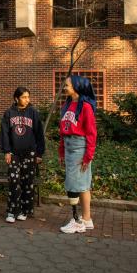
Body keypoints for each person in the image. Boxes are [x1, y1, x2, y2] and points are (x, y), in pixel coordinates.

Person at [0, 86, 45, 223]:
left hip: (29, 153)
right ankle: (12, 211)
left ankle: (25, 211)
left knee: (27, 182)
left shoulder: (33, 113)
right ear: (16, 98)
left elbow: (39, 134)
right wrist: (7, 151)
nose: (27, 99)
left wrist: (39, 153)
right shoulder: (9, 113)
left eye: (28, 97)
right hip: (14, 153)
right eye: (24, 97)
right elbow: (4, 134)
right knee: (14, 181)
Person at [59, 75, 98, 234]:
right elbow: (63, 130)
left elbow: (91, 133)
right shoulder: (68, 104)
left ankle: (77, 221)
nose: (64, 88)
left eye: (67, 85)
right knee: (82, 185)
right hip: (69, 146)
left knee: (75, 184)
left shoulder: (86, 107)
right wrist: (61, 150)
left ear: (77, 87)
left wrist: (88, 156)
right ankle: (87, 220)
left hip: (79, 148)